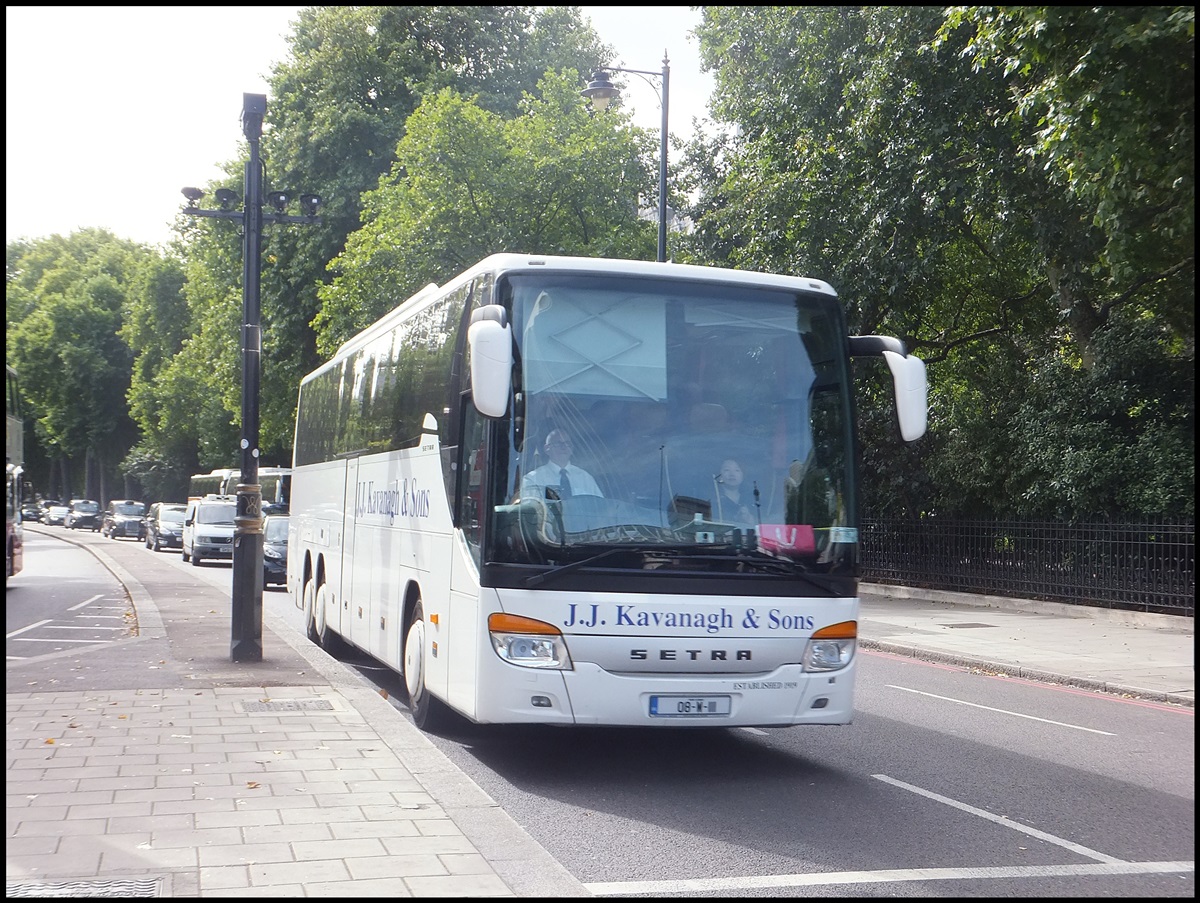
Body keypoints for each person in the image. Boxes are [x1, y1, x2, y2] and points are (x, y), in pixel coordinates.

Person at [521, 429, 603, 499]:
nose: (564, 447)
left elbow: (600, 509)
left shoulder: (585, 478)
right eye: (558, 443)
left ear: (572, 449)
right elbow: (531, 513)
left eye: (567, 443)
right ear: (546, 449)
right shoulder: (533, 479)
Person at [714, 458, 756, 526]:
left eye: (737, 470)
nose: (732, 474)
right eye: (727, 470)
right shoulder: (713, 501)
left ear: (743, 476)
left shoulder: (753, 500)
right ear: (719, 475)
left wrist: (750, 520)